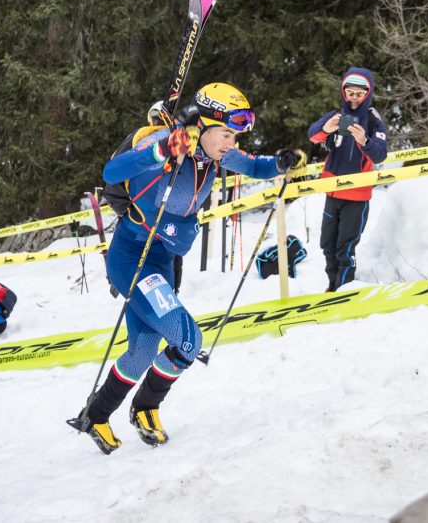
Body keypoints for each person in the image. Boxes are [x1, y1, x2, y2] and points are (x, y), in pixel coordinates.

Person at [77, 82, 306, 454]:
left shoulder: (215, 154)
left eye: (236, 135)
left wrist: (280, 163)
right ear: (207, 125)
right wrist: (161, 149)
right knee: (187, 340)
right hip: (132, 259)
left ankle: (97, 415)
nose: (232, 142)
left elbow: (252, 165)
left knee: (142, 350)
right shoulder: (172, 144)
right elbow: (112, 170)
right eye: (228, 133)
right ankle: (145, 407)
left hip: (163, 263)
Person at [307, 67, 388, 292]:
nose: (353, 98)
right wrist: (326, 128)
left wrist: (365, 141)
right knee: (327, 245)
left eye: (359, 94)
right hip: (332, 191)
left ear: (368, 94)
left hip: (357, 195)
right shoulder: (336, 116)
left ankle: (344, 288)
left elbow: (381, 153)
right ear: (344, 93)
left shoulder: (372, 120)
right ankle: (332, 286)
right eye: (350, 93)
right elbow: (312, 135)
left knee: (346, 248)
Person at [103, 101, 184, 295]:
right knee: (137, 258)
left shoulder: (179, 142)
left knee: (168, 255)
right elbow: (115, 176)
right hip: (140, 215)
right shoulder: (142, 137)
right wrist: (130, 210)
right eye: (155, 119)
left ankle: (170, 295)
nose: (158, 123)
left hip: (165, 215)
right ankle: (130, 290)